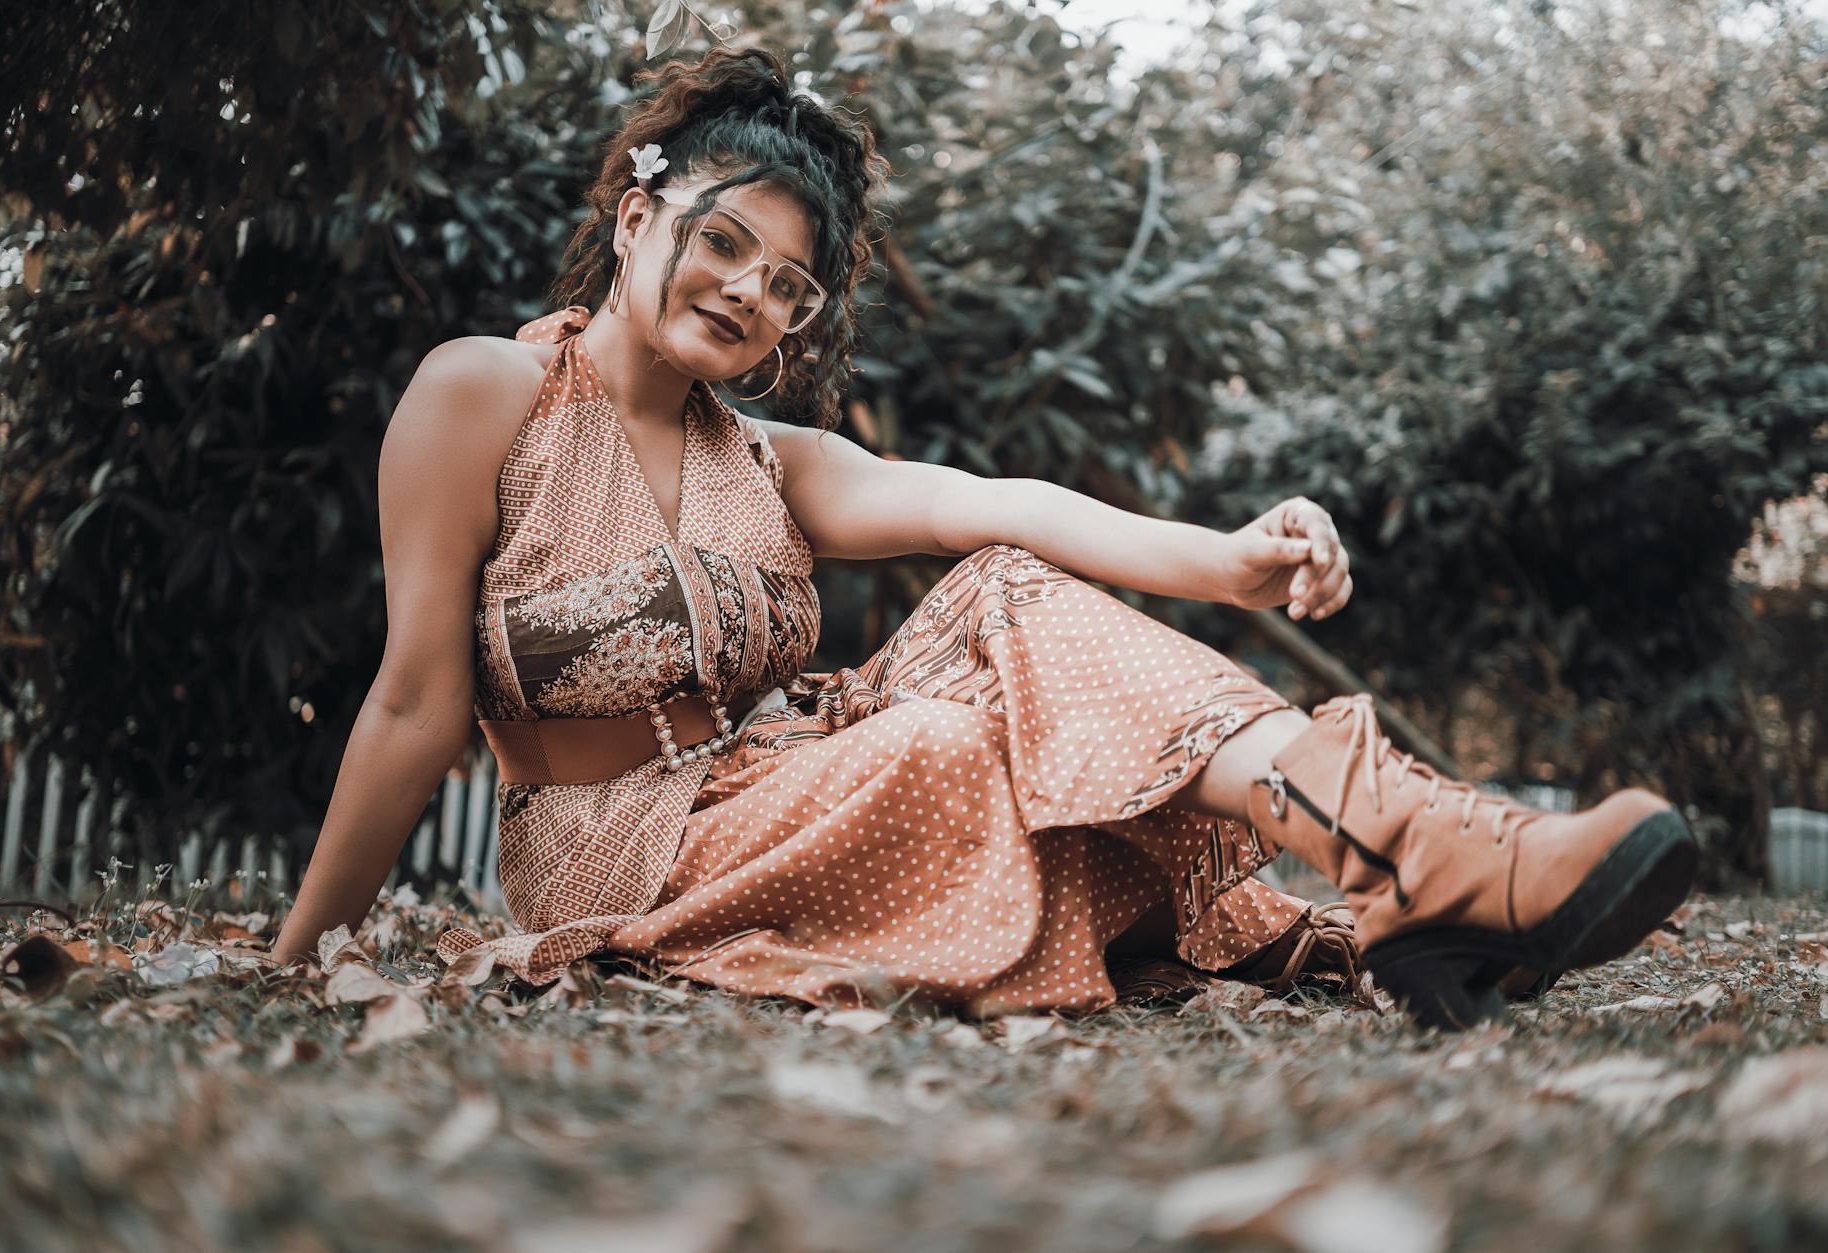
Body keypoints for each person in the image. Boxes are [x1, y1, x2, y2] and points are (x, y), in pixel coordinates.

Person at [269, 47, 1695, 1031]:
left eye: (786, 289)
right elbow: (413, 697)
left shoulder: (772, 458)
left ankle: (1419, 846)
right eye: (721, 246)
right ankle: (1420, 885)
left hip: (797, 787)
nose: (749, 296)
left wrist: (1230, 556)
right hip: (612, 848)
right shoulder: (485, 393)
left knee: (1004, 599)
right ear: (639, 216)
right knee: (963, 756)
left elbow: (999, 509)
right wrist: (297, 956)